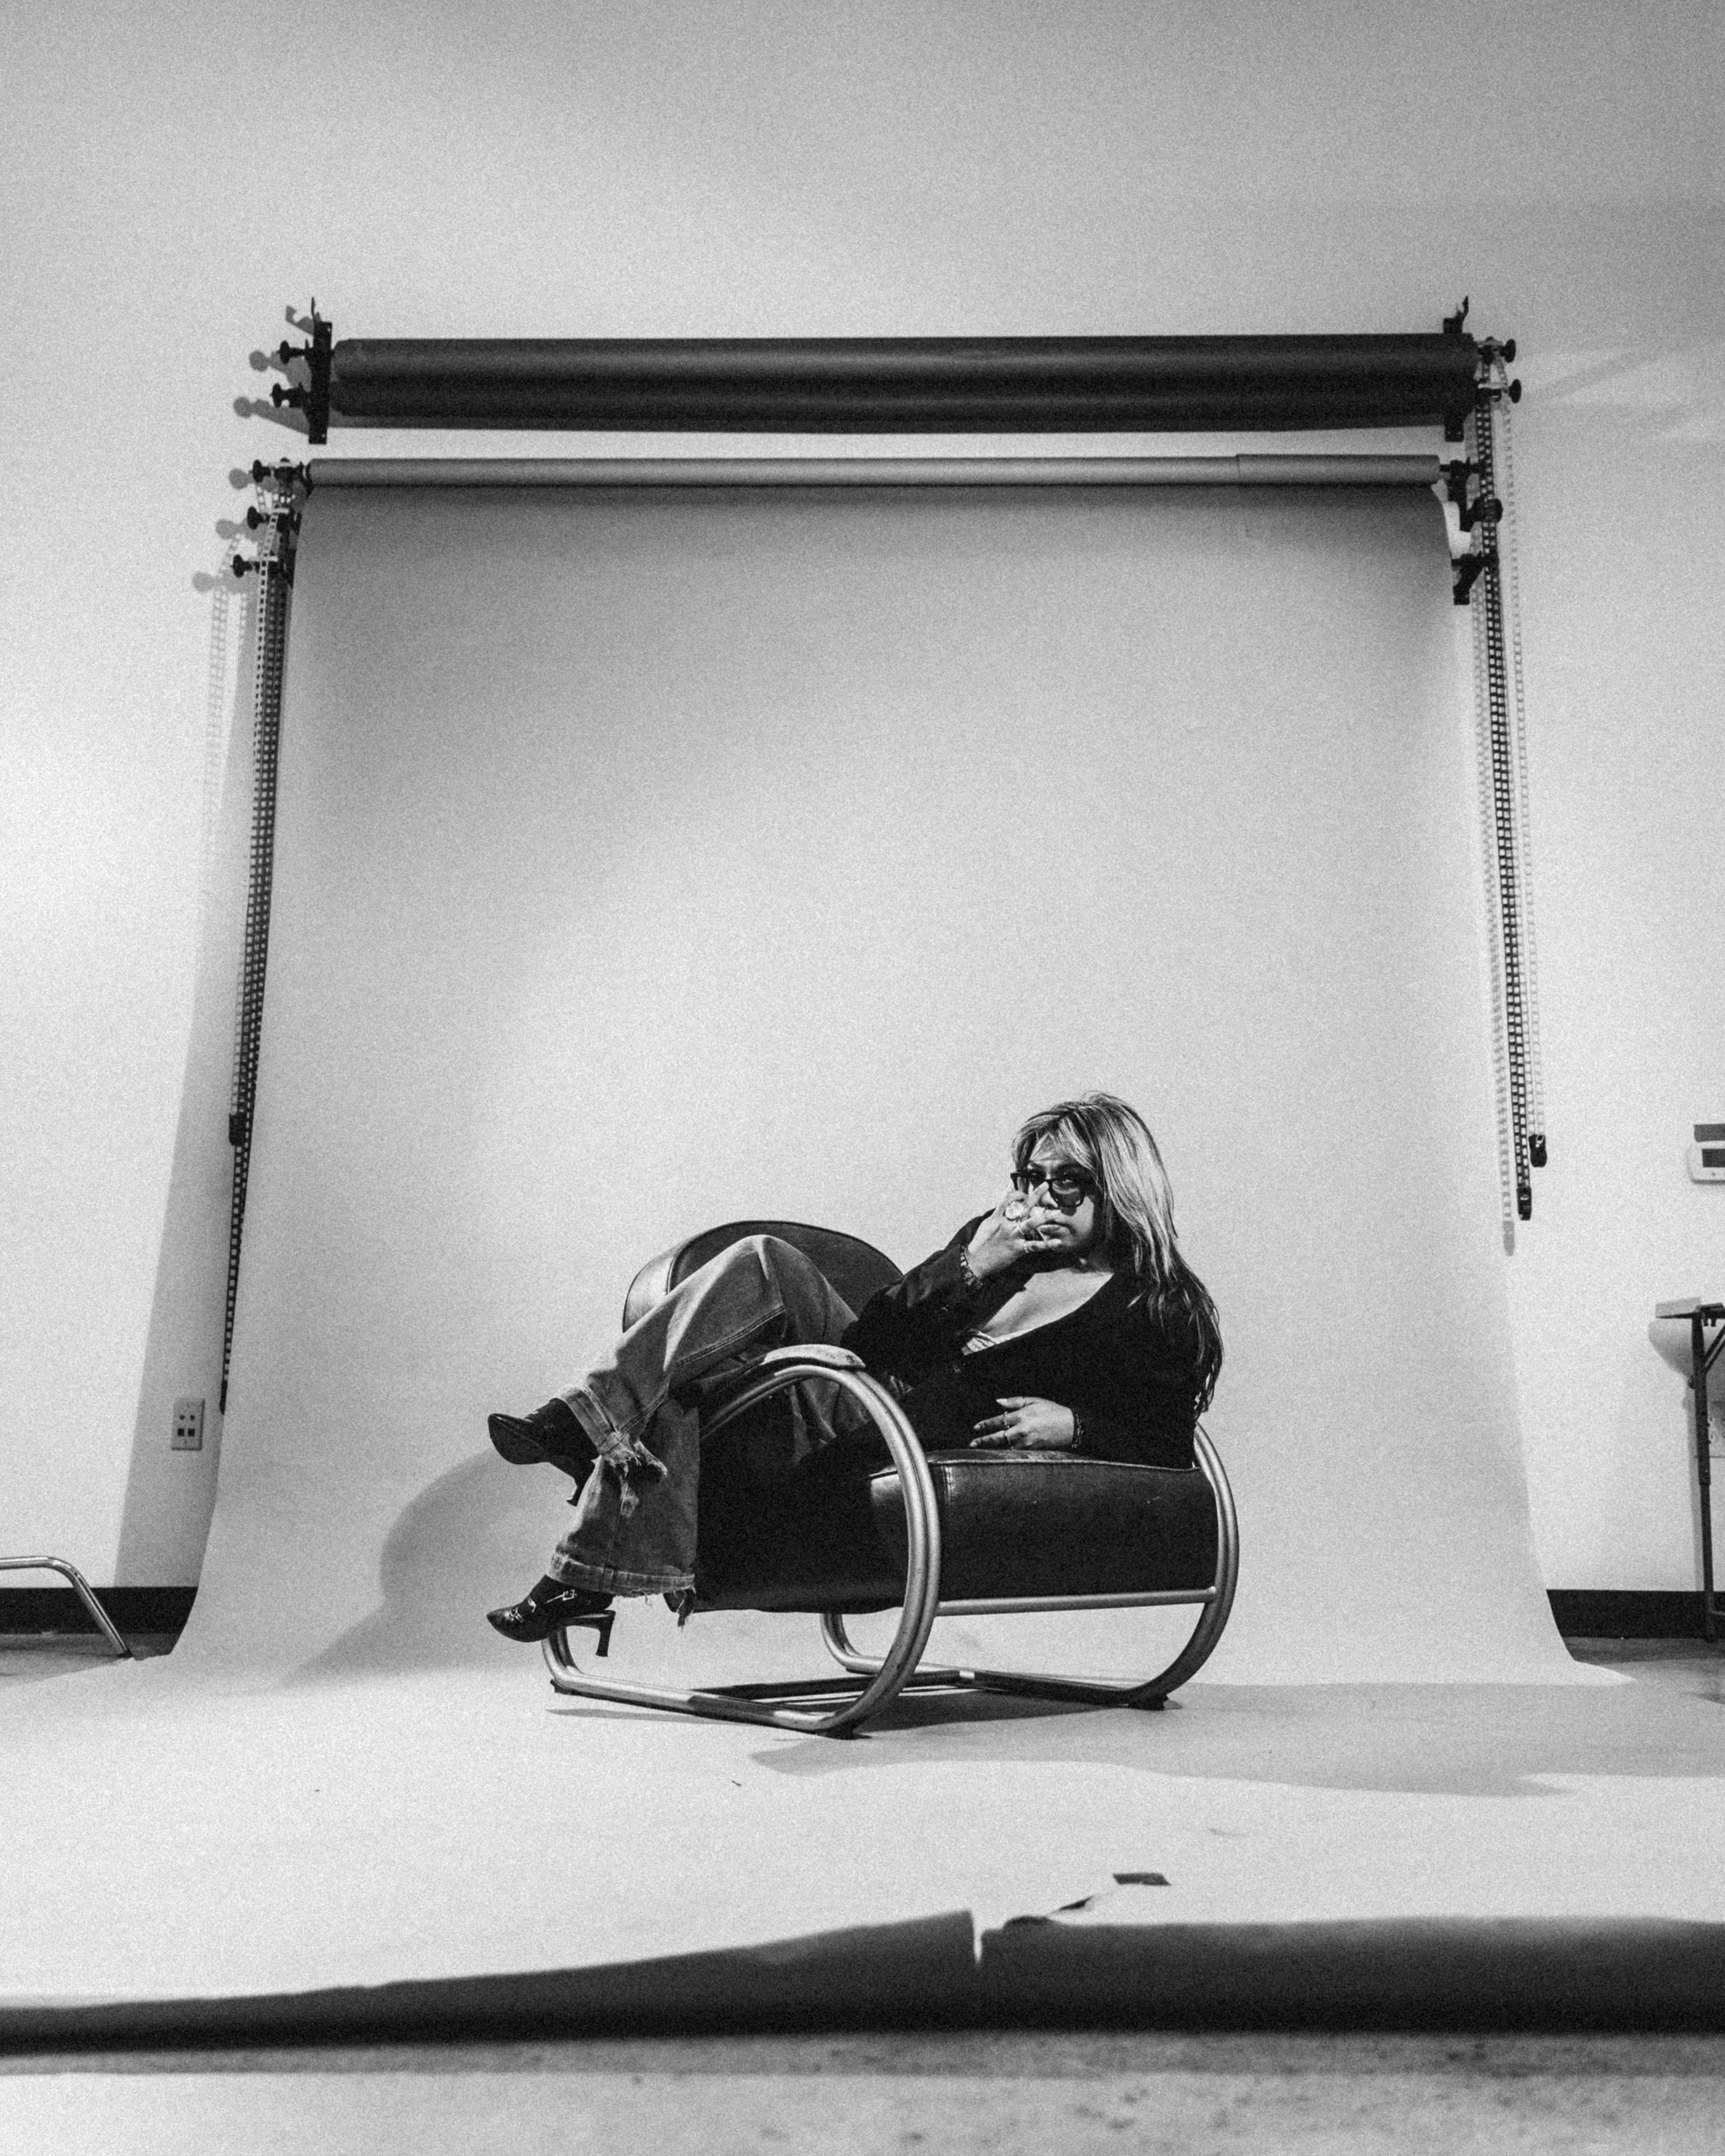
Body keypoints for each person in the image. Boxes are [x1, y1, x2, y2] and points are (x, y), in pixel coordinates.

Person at [484, 1091, 1222, 1645]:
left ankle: (579, 1562)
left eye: (1067, 1181)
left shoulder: (1155, 1305)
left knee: (688, 1381)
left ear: (1118, 1185)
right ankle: (584, 1422)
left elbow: (1167, 1435)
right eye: (1029, 1177)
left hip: (915, 1429)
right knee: (762, 1262)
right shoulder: (996, 1243)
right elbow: (877, 1337)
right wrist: (973, 1263)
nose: (1038, 1199)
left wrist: (1075, 1424)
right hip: (864, 1391)